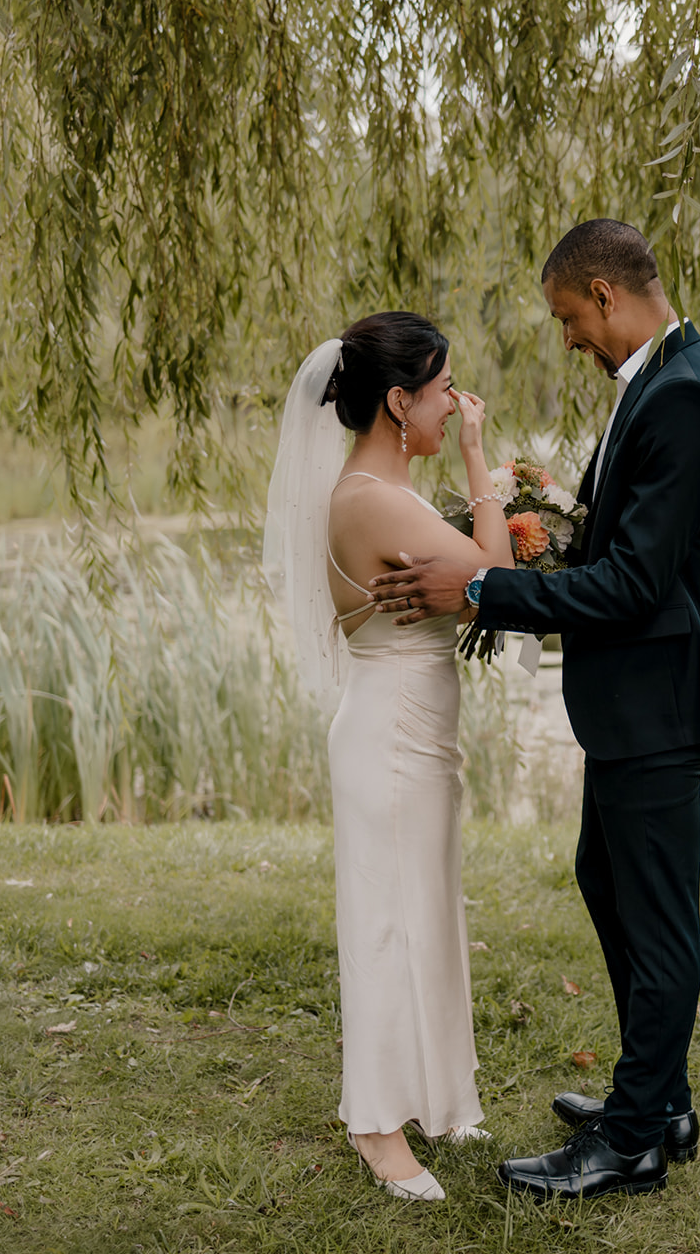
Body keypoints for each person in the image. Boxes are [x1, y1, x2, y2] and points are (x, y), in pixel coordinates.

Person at [370, 222, 700, 1201]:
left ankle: (633, 1137)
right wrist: (538, 544)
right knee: (605, 876)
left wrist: (488, 591)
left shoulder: (687, 398)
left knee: (652, 916)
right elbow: (619, 549)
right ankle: (653, 1097)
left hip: (661, 694)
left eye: (569, 318)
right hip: (637, 694)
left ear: (604, 292)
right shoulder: (662, 385)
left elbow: (632, 582)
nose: (568, 338)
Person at [262, 313, 513, 1203]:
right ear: (400, 401)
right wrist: (484, 463)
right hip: (389, 734)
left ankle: (442, 1095)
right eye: (445, 390)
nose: (456, 405)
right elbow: (489, 575)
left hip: (415, 728)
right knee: (385, 920)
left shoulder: (392, 491)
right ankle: (375, 1123)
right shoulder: (367, 496)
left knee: (428, 909)